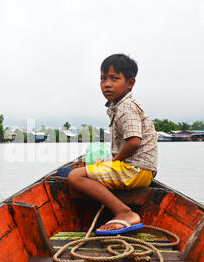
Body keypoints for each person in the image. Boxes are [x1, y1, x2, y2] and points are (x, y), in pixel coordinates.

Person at [67, 53, 158, 235]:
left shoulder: (126, 107)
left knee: (75, 177)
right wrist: (110, 161)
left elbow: (133, 142)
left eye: (114, 79)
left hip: (136, 170)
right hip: (138, 170)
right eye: (103, 79)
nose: (107, 84)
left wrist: (112, 162)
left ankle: (125, 212)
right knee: (85, 170)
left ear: (130, 83)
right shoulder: (119, 106)